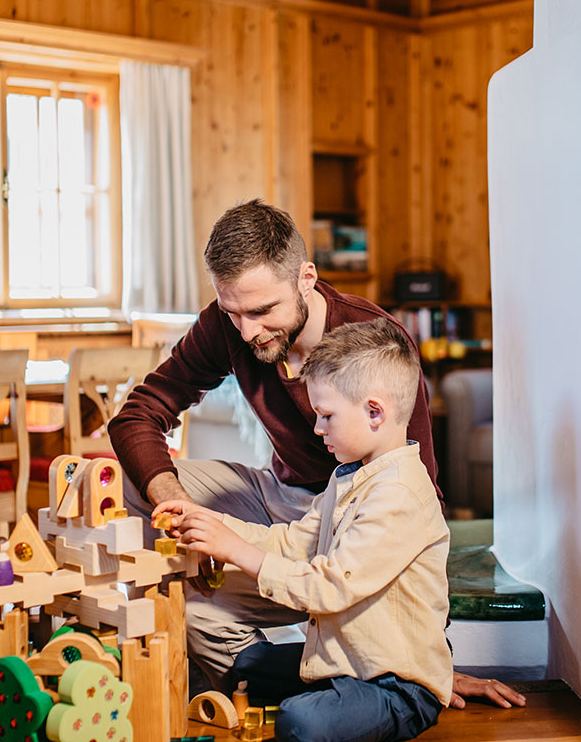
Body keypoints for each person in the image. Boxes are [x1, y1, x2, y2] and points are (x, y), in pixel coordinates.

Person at [110, 198, 524, 710]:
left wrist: (426, 659)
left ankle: (354, 679)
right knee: (126, 489)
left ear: (306, 278)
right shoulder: (229, 324)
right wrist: (175, 502)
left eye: (263, 311)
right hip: (278, 501)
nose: (246, 332)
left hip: (354, 517)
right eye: (231, 311)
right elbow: (137, 414)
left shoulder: (373, 343)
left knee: (206, 606)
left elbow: (421, 500)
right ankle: (278, 680)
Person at [154, 318, 451, 742]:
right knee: (248, 671)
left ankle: (334, 707)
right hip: (344, 659)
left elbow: (330, 586)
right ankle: (323, 697)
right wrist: (218, 526)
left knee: (300, 722)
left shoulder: (399, 494)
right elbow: (295, 542)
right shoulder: (350, 475)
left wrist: (237, 551)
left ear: (374, 412)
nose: (317, 429)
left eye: (326, 416)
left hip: (393, 682)